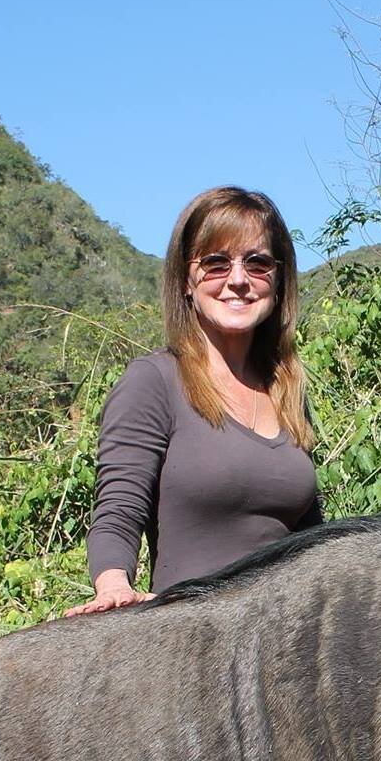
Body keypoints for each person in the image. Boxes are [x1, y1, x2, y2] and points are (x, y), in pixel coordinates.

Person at [65, 187, 322, 615]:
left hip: (285, 636)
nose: (238, 280)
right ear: (187, 281)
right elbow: (119, 508)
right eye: (216, 262)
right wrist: (113, 585)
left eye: (256, 263)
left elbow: (310, 539)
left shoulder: (286, 389)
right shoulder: (154, 381)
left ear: (278, 280)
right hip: (191, 643)